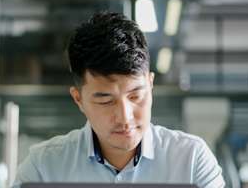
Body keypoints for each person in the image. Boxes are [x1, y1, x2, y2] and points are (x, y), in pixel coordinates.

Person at [12, 12, 225, 188]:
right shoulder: (43, 169)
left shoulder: (191, 160)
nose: (125, 117)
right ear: (79, 100)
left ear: (150, 85)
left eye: (136, 96)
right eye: (105, 100)